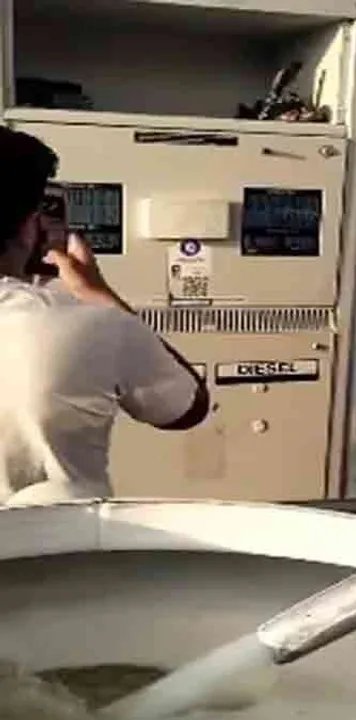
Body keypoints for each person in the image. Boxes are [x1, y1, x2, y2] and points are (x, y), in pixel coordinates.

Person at [0, 128, 209, 505]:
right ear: (29, 224)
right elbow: (186, 407)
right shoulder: (96, 324)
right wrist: (95, 292)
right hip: (49, 540)